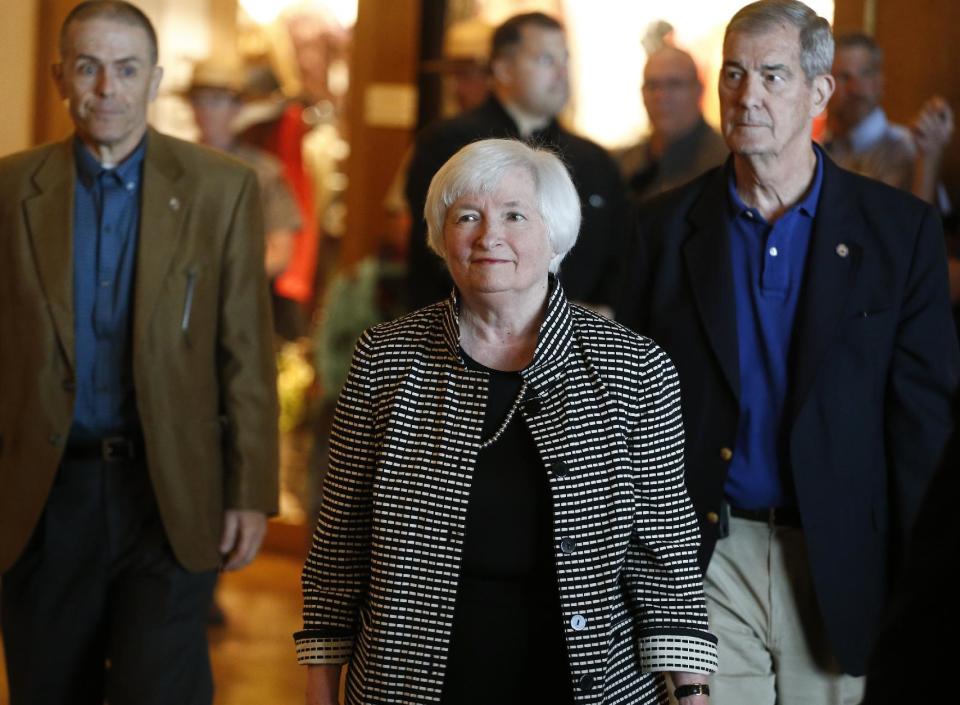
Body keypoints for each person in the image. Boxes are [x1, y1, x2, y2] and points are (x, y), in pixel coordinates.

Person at [616, 2, 958, 704]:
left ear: (820, 91)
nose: (748, 95)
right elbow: (631, 412)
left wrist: (925, 587)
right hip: (712, 552)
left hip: (841, 554)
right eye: (734, 74)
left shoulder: (900, 233)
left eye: (773, 75)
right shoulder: (660, 229)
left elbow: (921, 424)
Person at [295, 139, 717, 705]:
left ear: (555, 234)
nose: (488, 236)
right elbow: (339, 541)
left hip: (587, 685)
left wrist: (692, 692)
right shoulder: (386, 358)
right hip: (409, 684)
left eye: (515, 216)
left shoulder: (634, 367)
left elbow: (665, 552)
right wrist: (321, 686)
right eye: (467, 216)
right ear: (442, 237)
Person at [0, 2, 279, 704]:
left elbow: (244, 347)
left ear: (154, 79)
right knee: (46, 686)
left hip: (168, 489)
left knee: (162, 691)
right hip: (43, 492)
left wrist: (248, 489)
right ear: (61, 75)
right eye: (89, 68)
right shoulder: (8, 190)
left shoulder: (222, 188)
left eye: (126, 70)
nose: (107, 89)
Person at [404, 12, 626, 314]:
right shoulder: (448, 144)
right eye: (546, 60)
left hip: (578, 340)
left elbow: (620, 253)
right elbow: (431, 249)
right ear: (503, 69)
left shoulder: (594, 160)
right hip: (464, 336)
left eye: (565, 60)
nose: (561, 73)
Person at [825, 32, 954, 210]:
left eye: (866, 74)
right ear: (823, 85)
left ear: (880, 81)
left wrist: (928, 159)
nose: (855, 88)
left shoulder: (909, 148)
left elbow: (923, 229)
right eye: (844, 77)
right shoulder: (820, 148)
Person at [617, 46, 728, 204]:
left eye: (674, 84)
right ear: (642, 93)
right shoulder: (624, 165)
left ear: (698, 90)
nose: (661, 96)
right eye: (652, 85)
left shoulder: (726, 164)